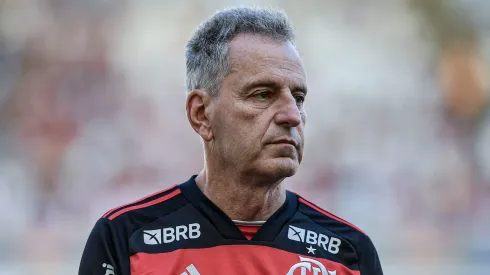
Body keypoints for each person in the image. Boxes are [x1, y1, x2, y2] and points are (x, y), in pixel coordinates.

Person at [79, 7, 383, 275]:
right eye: (262, 94)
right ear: (201, 114)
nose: (292, 115)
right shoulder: (125, 240)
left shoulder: (349, 254)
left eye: (299, 98)